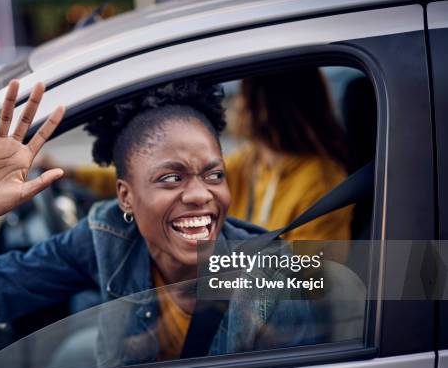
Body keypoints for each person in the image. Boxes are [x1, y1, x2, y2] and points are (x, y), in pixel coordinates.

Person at [0, 79, 317, 368]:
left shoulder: (269, 272)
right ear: (126, 196)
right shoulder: (103, 235)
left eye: (214, 174)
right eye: (171, 178)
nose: (202, 194)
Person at [53, 68, 352, 241]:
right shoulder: (255, 163)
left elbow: (310, 280)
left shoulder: (320, 179)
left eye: (244, 97)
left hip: (286, 324)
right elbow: (151, 178)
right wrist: (69, 172)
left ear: (267, 106)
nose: (236, 105)